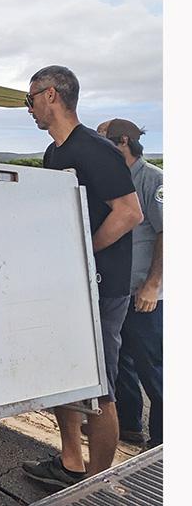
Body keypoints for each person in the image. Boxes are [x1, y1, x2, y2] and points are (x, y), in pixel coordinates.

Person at [20, 66, 144, 487]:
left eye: (30, 99)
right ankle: (72, 462)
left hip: (103, 287)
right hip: (69, 285)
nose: (30, 108)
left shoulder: (94, 149)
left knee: (99, 385)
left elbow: (129, 213)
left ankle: (96, 482)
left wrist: (81, 251)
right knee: (62, 374)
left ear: (50, 95)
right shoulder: (56, 153)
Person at [97, 118, 163, 449]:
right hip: (121, 290)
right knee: (121, 362)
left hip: (145, 292)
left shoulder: (153, 179)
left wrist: (153, 285)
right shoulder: (116, 179)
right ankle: (129, 426)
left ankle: (165, 441)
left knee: (153, 366)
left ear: (122, 141)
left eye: (101, 138)